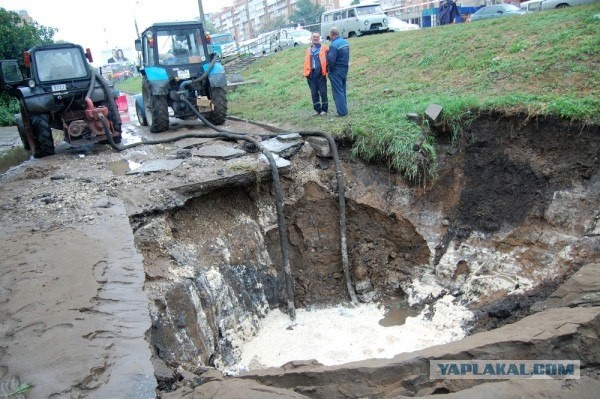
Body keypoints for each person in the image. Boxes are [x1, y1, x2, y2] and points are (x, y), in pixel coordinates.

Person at [303, 32, 328, 116]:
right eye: (314, 37)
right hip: (310, 74)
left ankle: (324, 109)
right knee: (314, 93)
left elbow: (329, 58)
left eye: (317, 37)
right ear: (311, 38)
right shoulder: (308, 50)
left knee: (323, 92)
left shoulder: (324, 48)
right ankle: (317, 110)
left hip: (321, 73)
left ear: (319, 38)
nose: (315, 38)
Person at [326, 27, 349, 117]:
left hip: (336, 71)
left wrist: (330, 70)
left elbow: (331, 60)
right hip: (344, 69)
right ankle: (344, 108)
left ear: (331, 35)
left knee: (337, 91)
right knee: (342, 90)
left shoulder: (334, 45)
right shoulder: (345, 42)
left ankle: (342, 112)